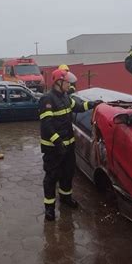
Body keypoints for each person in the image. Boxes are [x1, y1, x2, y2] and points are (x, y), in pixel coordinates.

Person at [39, 69, 102, 221]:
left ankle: (65, 198)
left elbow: (78, 106)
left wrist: (93, 104)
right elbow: (46, 126)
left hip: (68, 146)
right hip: (53, 148)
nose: (69, 84)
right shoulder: (47, 99)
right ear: (58, 82)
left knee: (68, 174)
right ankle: (49, 208)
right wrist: (58, 142)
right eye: (67, 82)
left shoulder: (66, 97)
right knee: (52, 177)